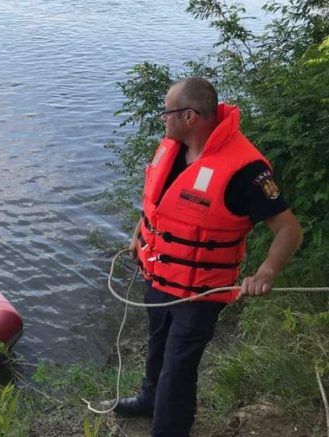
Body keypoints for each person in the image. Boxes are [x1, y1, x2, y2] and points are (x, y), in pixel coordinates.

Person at [110, 77, 303, 437]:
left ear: (190, 117)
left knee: (178, 367)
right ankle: (149, 401)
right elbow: (159, 202)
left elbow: (289, 229)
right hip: (159, 277)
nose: (161, 119)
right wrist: (141, 230)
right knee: (158, 347)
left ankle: (170, 429)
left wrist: (266, 271)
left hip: (201, 293)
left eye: (166, 112)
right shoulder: (173, 149)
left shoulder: (246, 170)